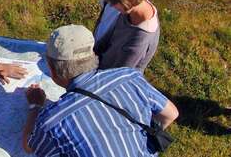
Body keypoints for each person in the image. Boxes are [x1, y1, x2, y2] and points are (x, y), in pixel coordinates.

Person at [22, 24, 178, 157]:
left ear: (52, 69)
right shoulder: (129, 76)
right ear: (94, 55)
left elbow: (30, 146)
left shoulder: (51, 121)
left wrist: (35, 106)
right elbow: (171, 113)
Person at [94, 0, 160, 72]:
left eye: (113, 2)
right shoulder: (131, 7)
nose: (111, 5)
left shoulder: (140, 37)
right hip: (101, 67)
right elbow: (109, 38)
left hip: (111, 81)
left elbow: (119, 74)